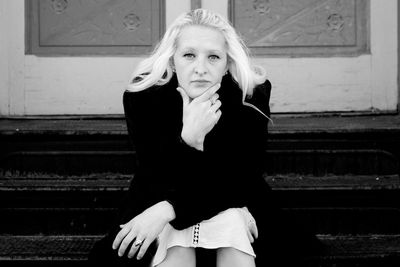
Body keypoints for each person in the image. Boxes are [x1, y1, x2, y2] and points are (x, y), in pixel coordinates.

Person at [89, 8, 323, 267]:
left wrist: (166, 210)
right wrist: (189, 139)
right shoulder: (144, 97)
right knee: (199, 225)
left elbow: (241, 178)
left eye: (213, 57)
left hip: (228, 204)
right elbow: (156, 175)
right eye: (189, 55)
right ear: (172, 60)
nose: (200, 68)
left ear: (226, 65)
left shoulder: (249, 97)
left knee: (232, 217)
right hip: (163, 196)